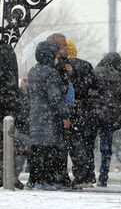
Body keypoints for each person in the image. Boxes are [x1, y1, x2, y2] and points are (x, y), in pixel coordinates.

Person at [27, 40, 71, 190]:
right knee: (47, 149)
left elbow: (29, 93)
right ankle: (44, 181)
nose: (57, 55)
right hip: (48, 117)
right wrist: (65, 114)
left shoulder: (33, 71)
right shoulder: (51, 73)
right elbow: (55, 98)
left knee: (36, 148)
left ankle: (32, 180)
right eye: (55, 53)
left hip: (34, 114)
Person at [92, 52, 121, 187]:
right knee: (106, 148)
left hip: (93, 114)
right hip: (111, 117)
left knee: (88, 146)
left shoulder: (93, 74)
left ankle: (88, 173)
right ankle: (103, 177)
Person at [64, 40, 99, 187]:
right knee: (88, 143)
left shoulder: (64, 66)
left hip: (72, 108)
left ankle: (80, 174)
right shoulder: (86, 65)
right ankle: (89, 173)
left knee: (75, 143)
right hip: (87, 109)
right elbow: (94, 86)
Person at [0, 43, 30, 189]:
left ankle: (7, 176)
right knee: (20, 141)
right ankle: (8, 176)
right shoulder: (6, 50)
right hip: (7, 110)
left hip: (7, 111)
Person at [46, 33, 74, 187]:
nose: (66, 48)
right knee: (57, 146)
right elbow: (56, 90)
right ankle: (57, 176)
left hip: (63, 108)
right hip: (56, 111)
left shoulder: (64, 63)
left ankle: (60, 175)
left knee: (63, 145)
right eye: (63, 45)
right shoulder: (53, 67)